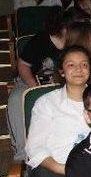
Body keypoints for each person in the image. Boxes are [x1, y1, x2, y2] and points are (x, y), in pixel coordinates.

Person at [24, 46, 91, 177]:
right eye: (72, 65)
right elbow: (34, 147)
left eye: (84, 64)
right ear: (61, 71)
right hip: (54, 172)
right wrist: (62, 168)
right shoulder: (47, 103)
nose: (79, 69)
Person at [7, 10, 72, 161]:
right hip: (30, 80)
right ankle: (23, 154)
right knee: (17, 99)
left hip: (61, 84)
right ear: (63, 27)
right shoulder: (40, 39)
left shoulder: (73, 42)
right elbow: (23, 65)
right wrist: (33, 86)